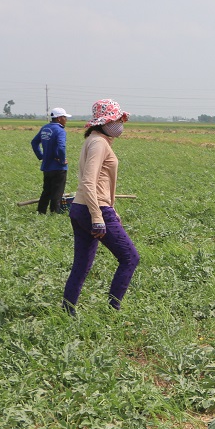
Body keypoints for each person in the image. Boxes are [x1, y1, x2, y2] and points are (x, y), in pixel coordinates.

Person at [62, 99, 139, 315]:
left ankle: (68, 310)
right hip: (93, 209)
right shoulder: (98, 143)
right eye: (115, 120)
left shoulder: (96, 140)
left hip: (82, 208)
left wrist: (112, 209)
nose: (119, 124)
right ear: (103, 122)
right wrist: (98, 216)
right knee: (130, 258)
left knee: (82, 265)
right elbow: (89, 181)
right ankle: (113, 309)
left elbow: (100, 183)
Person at [31, 107, 71, 214]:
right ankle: (54, 213)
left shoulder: (45, 128)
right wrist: (62, 160)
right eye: (64, 117)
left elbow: (34, 142)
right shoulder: (60, 130)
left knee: (46, 191)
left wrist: (41, 156)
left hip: (47, 166)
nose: (66, 120)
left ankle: (41, 211)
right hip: (58, 167)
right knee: (57, 192)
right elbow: (61, 147)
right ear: (59, 118)